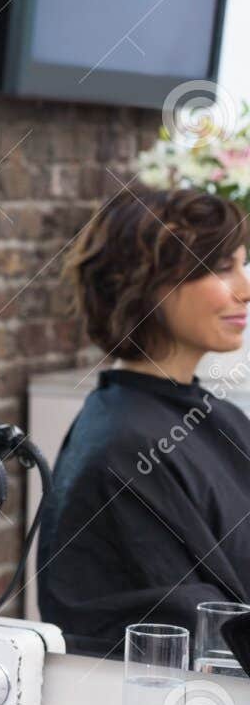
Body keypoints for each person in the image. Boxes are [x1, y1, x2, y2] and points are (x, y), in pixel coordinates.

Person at [38, 186, 250, 655]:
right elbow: (202, 635)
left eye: (243, 263)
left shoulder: (224, 420)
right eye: (222, 268)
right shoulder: (123, 448)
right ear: (149, 282)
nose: (246, 289)